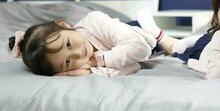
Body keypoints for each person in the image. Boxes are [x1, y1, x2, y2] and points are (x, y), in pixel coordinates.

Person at [9, 11, 156, 77]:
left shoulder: (95, 21)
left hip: (136, 33)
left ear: (64, 24)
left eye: (68, 44)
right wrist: (93, 71)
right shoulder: (84, 67)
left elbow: (141, 48)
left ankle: (154, 29)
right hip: (143, 50)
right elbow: (135, 66)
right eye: (67, 62)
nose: (77, 54)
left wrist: (100, 60)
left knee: (153, 37)